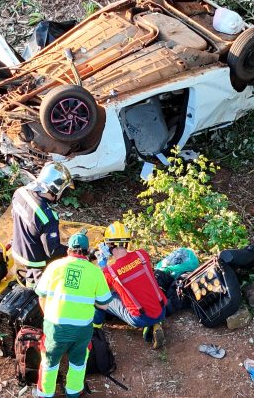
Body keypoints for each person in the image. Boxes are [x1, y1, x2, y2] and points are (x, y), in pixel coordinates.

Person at [35, 232, 112, 398]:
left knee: (49, 363)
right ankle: (73, 393)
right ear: (86, 251)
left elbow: (41, 295)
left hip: (55, 327)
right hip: (82, 330)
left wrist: (47, 316)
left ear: (69, 250)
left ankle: (45, 394)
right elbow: (104, 304)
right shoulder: (95, 272)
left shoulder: (54, 266)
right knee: (78, 363)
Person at [93, 221, 167, 349]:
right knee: (132, 289)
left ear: (109, 244)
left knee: (98, 299)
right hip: (161, 310)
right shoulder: (142, 255)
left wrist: (103, 266)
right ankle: (155, 324)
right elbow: (130, 265)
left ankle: (95, 329)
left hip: (139, 318)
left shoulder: (110, 271)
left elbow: (100, 289)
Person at [11, 162, 74, 288]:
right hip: (34, 261)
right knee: (41, 286)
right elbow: (52, 251)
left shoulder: (20, 192)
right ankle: (31, 288)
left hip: (16, 249)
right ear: (55, 189)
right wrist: (72, 251)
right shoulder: (47, 217)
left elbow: (15, 216)